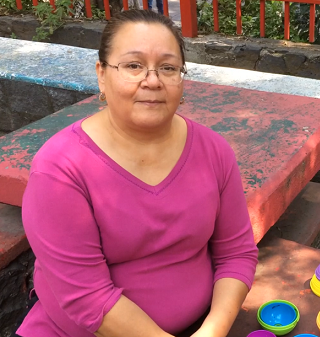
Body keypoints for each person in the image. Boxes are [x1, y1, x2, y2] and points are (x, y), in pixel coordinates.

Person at [15, 9, 258, 337]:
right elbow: (88, 298)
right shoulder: (60, 169)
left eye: (168, 68)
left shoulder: (213, 151)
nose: (153, 80)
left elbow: (236, 252)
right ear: (102, 74)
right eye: (133, 65)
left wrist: (213, 330)